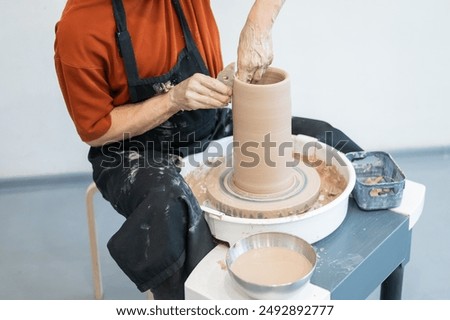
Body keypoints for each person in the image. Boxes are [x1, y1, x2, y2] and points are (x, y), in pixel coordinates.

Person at [54, 0, 361, 299]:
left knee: (327, 139)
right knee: (170, 208)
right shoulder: (81, 26)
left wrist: (259, 24)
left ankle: (374, 220)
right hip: (132, 150)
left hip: (208, 124)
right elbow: (98, 130)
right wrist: (172, 100)